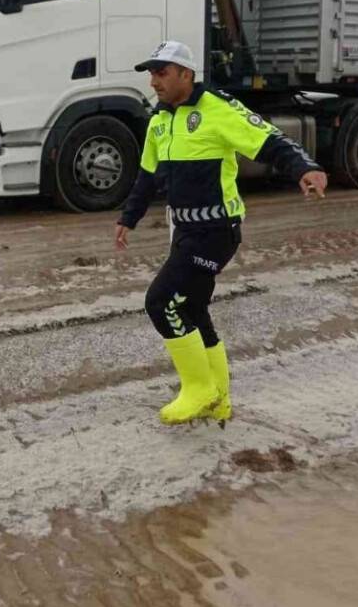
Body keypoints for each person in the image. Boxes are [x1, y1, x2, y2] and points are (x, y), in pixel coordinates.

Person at [114, 40, 327, 426]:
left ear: (186, 74)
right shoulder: (160, 120)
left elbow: (268, 140)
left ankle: (197, 389)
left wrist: (304, 168)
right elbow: (147, 175)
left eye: (161, 72)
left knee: (161, 302)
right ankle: (219, 399)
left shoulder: (218, 108)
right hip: (183, 229)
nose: (154, 81)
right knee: (193, 308)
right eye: (151, 73)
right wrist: (128, 217)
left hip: (215, 231)